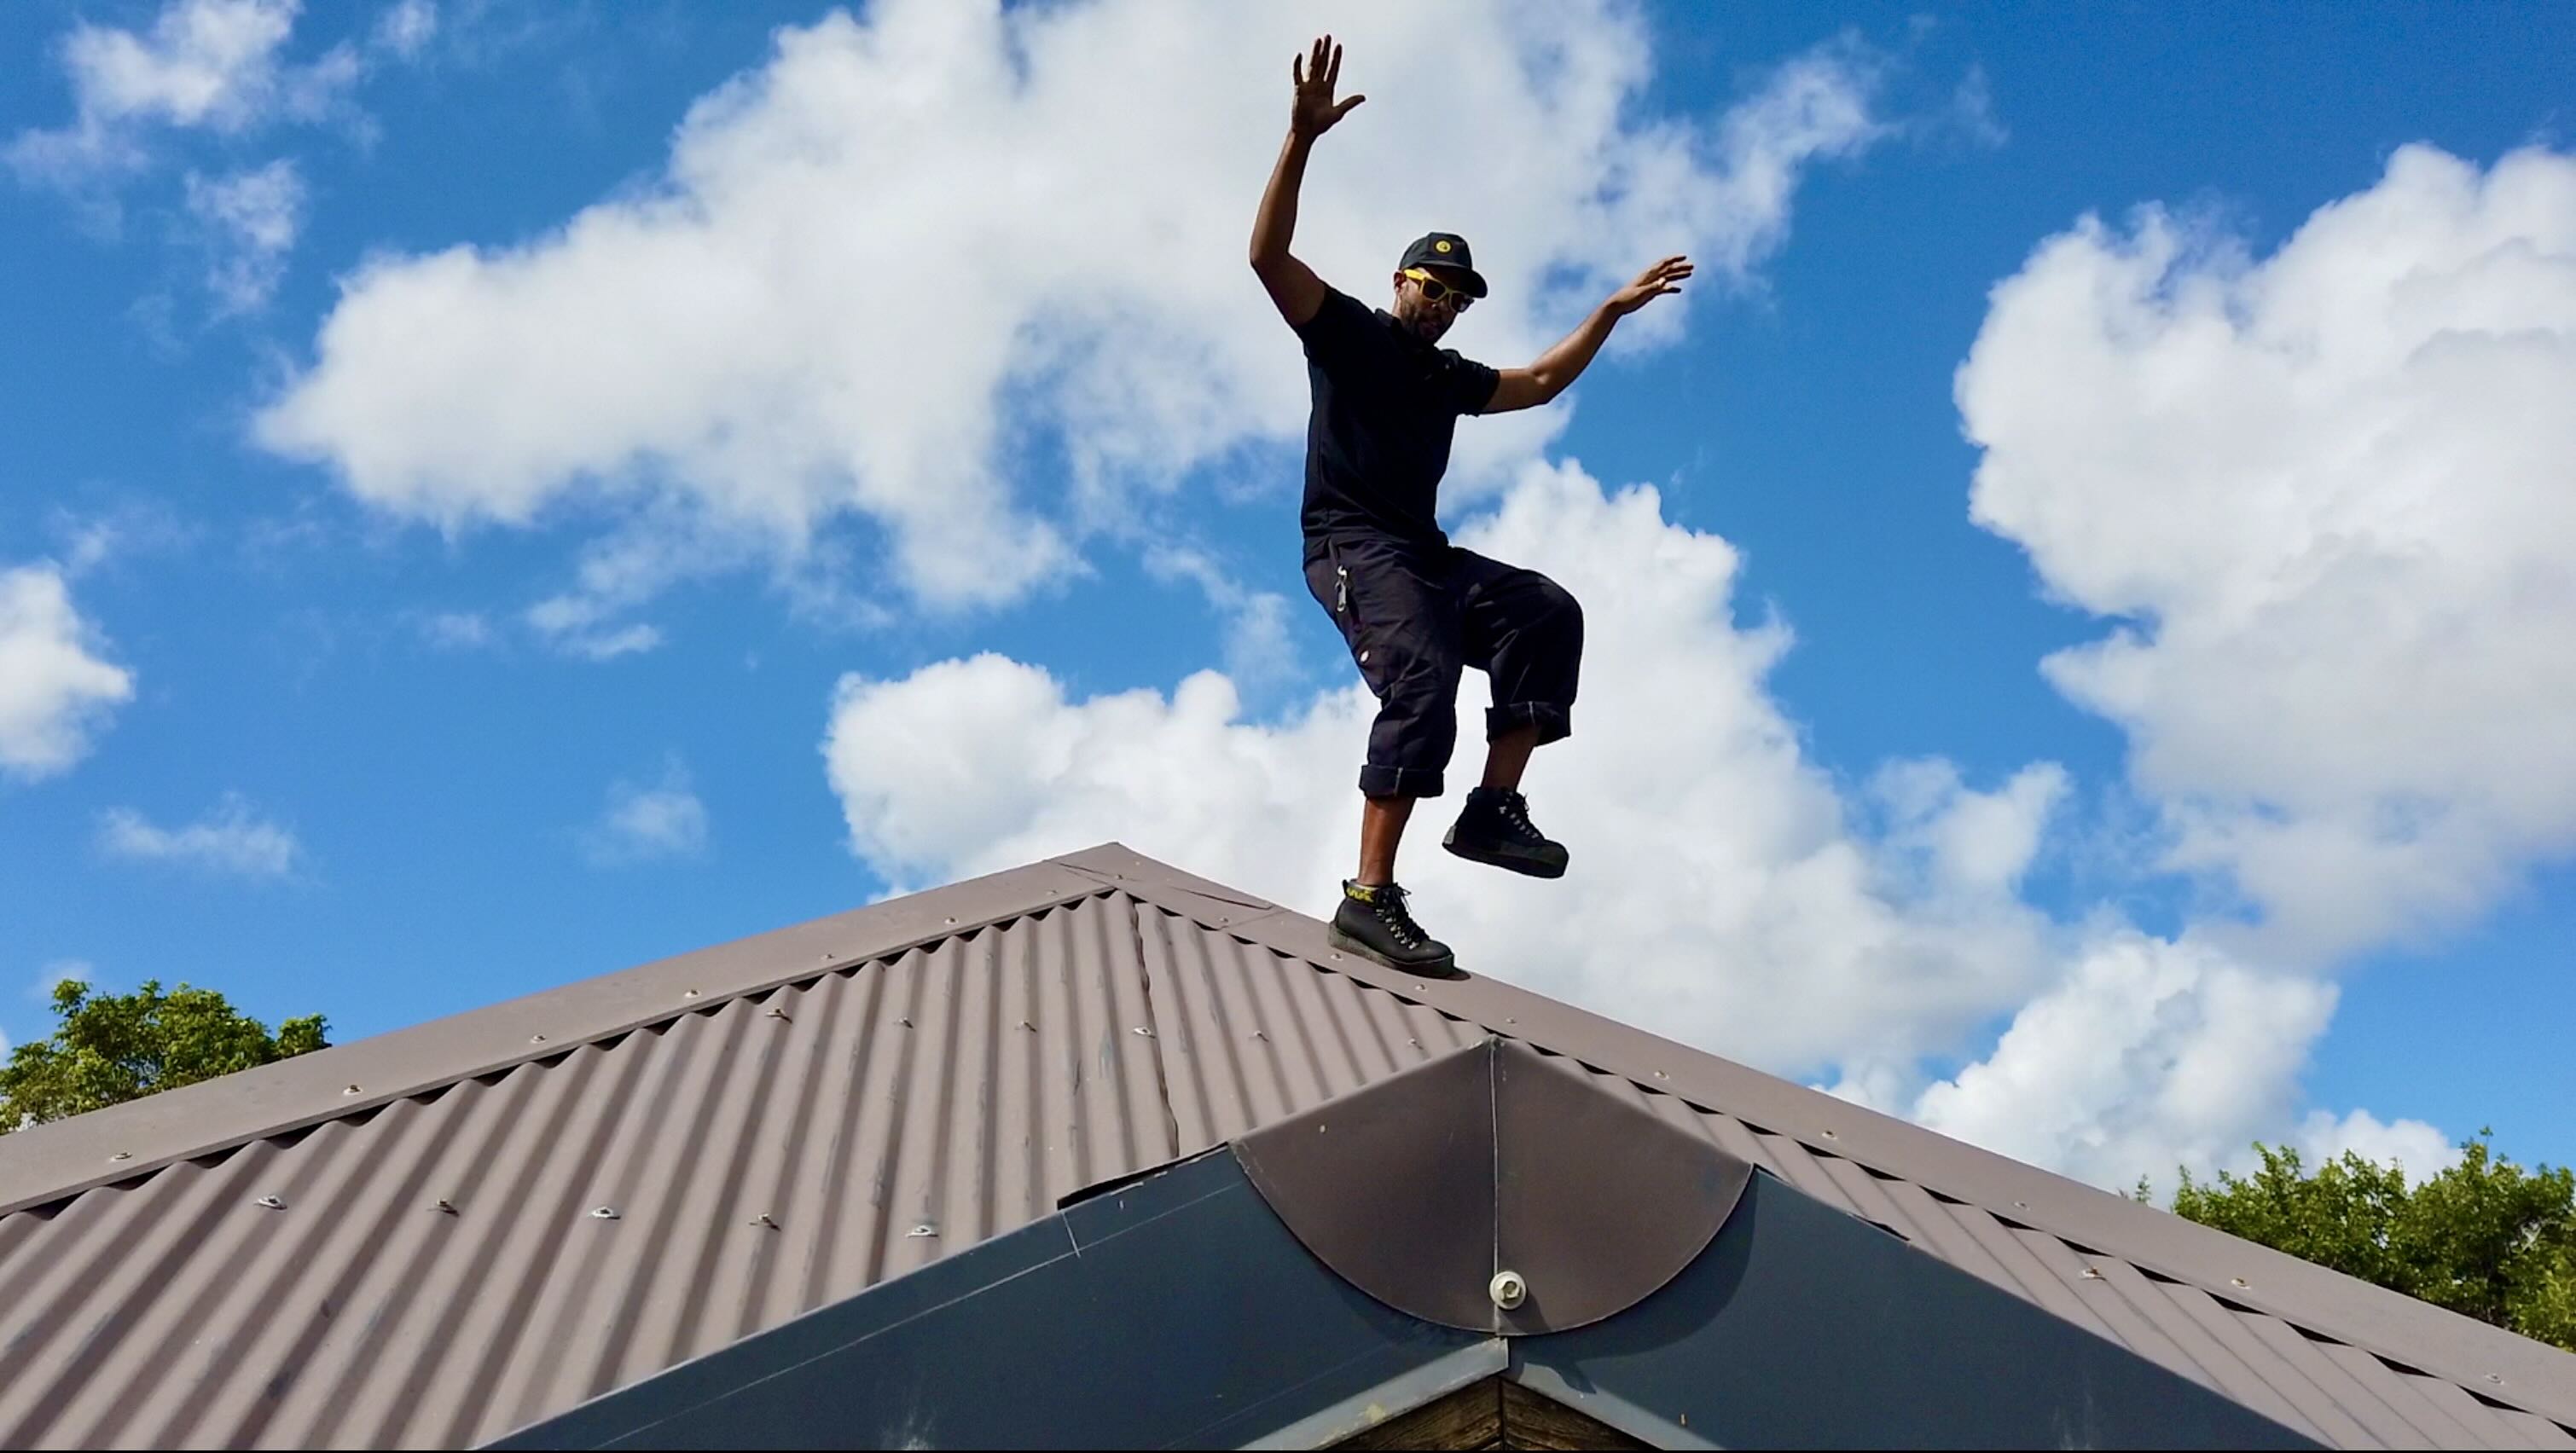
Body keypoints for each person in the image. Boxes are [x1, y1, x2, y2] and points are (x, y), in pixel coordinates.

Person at [1249, 35, 1692, 975]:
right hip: (1347, 546)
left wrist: (1608, 314)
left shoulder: (1444, 375)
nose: (1441, 303)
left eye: (1455, 297)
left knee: (1543, 611)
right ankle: (1368, 898)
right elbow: (1266, 255)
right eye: (1429, 286)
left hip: (1418, 552)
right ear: (1398, 282)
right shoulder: (1348, 336)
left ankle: (1490, 811)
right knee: (1421, 676)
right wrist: (1299, 143)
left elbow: (1534, 383)